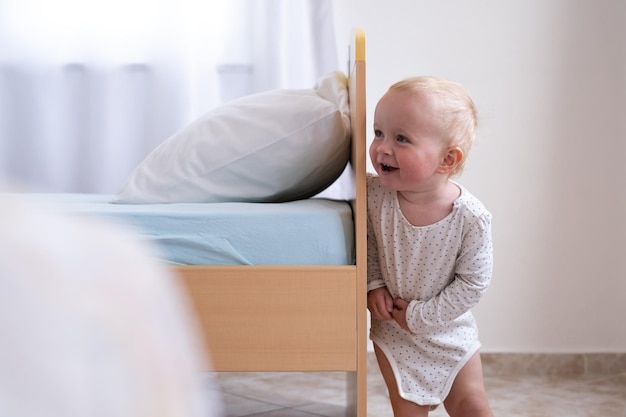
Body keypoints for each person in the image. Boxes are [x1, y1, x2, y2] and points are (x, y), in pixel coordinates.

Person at [367, 76, 494, 417]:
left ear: (447, 160)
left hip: (449, 332)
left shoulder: (471, 217)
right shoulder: (375, 195)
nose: (382, 147)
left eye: (401, 138)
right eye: (378, 132)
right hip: (395, 332)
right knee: (408, 410)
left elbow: (473, 284)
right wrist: (374, 283)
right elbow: (366, 242)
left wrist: (421, 316)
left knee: (472, 406)